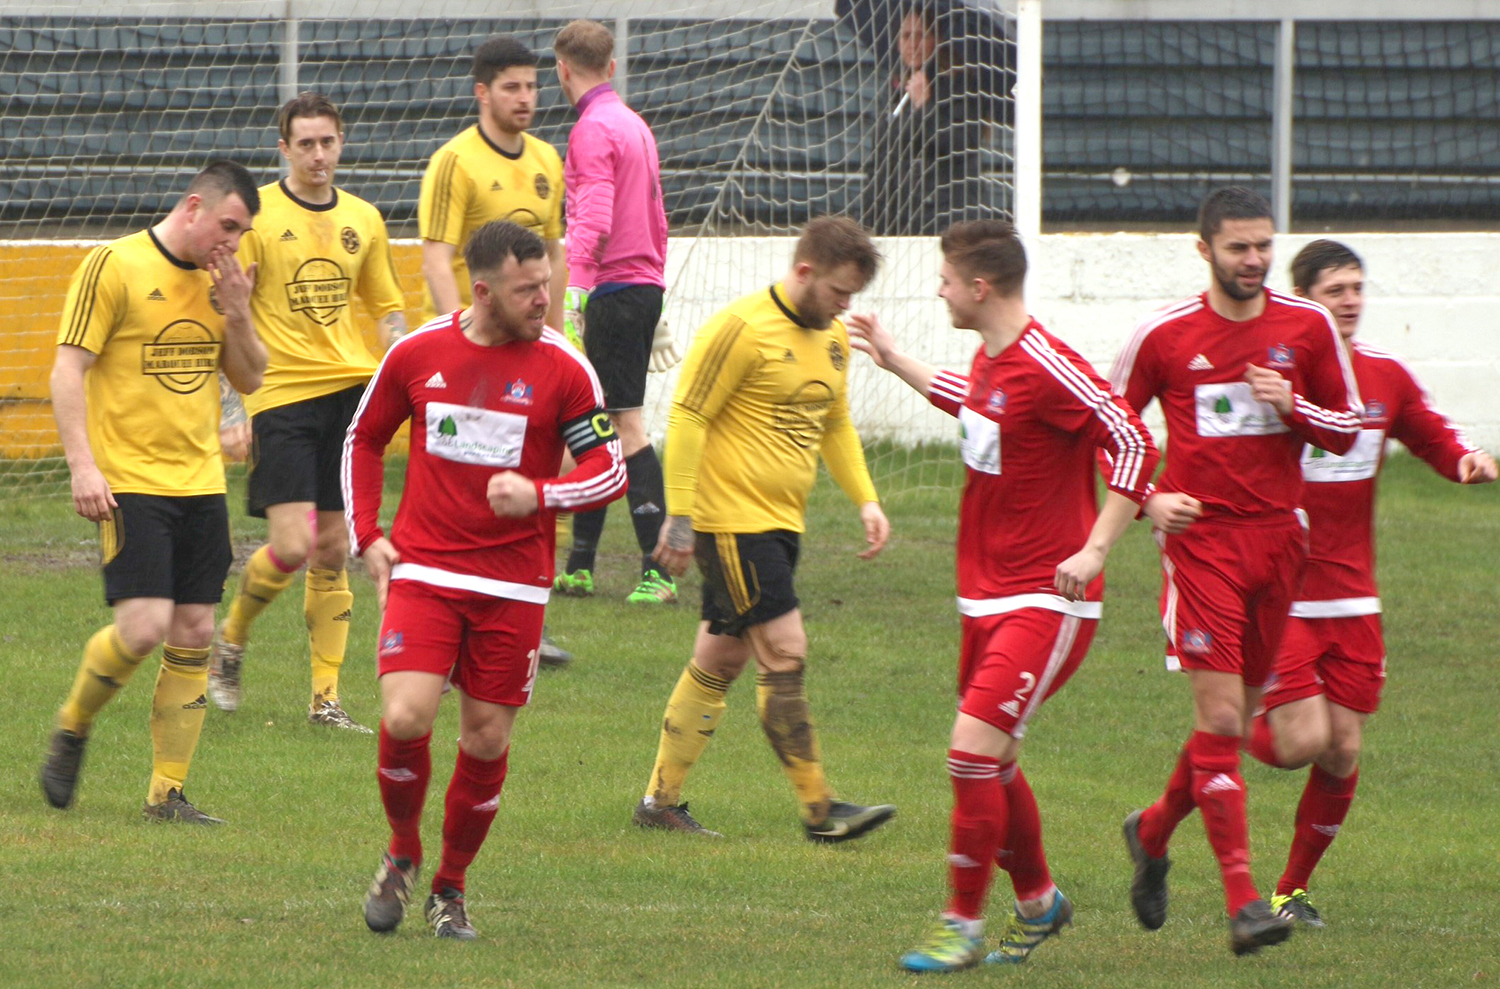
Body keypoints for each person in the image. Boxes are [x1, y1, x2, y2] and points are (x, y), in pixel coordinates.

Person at [848, 220, 1159, 972]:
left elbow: (1134, 439)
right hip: (984, 596)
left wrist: (1095, 546)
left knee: (969, 753)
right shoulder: (993, 359)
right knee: (998, 758)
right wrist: (893, 360)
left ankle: (962, 923)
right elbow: (978, 405)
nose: (940, 289)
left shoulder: (1050, 362)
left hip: (1048, 596)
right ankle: (1039, 902)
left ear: (980, 288)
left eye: (947, 279)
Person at [346, 220, 626, 939]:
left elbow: (609, 468)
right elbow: (364, 436)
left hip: (514, 585)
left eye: (546, 283)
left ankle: (451, 886)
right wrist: (368, 536)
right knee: (406, 714)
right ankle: (403, 851)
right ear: (483, 290)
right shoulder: (418, 353)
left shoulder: (564, 366)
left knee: (486, 739)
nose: (543, 298)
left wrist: (541, 494)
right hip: (427, 569)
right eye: (527, 288)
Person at [1109, 187, 1363, 955]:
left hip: (1282, 544)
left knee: (1227, 720)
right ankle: (1245, 900)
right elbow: (1108, 429)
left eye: (1262, 246)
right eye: (1237, 248)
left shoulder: (1308, 326)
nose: (1253, 261)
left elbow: (1348, 427)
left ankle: (1152, 832)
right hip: (1203, 547)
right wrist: (1151, 499)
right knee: (1223, 718)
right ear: (1203, 249)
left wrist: (1297, 408)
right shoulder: (1164, 334)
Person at [1243, 239, 1497, 927]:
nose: (1351, 300)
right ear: (1304, 304)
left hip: (1353, 596)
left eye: (1357, 287)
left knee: (1344, 745)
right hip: (1282, 590)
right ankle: (1225, 726)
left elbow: (1431, 433)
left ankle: (1290, 891)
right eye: (1336, 290)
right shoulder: (1266, 381)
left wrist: (1465, 459)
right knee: (1297, 742)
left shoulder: (1383, 376)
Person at [632, 215, 895, 842]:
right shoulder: (741, 328)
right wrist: (681, 515)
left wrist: (867, 500)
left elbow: (835, 424)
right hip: (733, 525)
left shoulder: (830, 338)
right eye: (837, 292)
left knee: (718, 659)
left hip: (780, 526)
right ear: (805, 272)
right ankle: (818, 808)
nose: (844, 306)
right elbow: (689, 417)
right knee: (786, 649)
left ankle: (658, 802)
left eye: (852, 297)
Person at [39, 161, 264, 823]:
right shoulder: (113, 265)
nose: (232, 243)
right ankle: (74, 723)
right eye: (227, 225)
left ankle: (167, 792)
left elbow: (251, 378)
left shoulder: (224, 286)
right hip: (130, 480)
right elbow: (67, 368)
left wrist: (241, 314)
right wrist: (83, 466)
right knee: (141, 628)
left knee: (194, 628)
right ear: (194, 205)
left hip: (200, 483)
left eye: (243, 232)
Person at [207, 93, 406, 731]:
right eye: (306, 144)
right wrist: (231, 405)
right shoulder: (257, 220)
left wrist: (409, 373)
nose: (319, 155)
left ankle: (326, 699)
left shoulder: (364, 219)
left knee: (334, 546)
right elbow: (225, 312)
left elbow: (387, 310)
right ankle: (231, 638)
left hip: (350, 395)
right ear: (284, 149)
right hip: (281, 394)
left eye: (328, 142)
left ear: (341, 143)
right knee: (291, 546)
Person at [418, 36, 575, 666]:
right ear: (482, 92)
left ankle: (528, 610)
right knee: (475, 473)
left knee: (546, 472)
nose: (527, 99)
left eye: (534, 87)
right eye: (512, 87)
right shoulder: (454, 162)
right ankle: (451, 604)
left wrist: (557, 328)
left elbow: (555, 255)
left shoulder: (545, 158)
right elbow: (436, 252)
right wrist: (455, 330)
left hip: (534, 344)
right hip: (477, 346)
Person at [551, 18, 683, 605]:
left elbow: (593, 219)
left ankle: (658, 570)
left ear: (561, 70)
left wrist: (576, 290)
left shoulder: (590, 130)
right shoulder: (634, 125)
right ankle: (580, 565)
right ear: (610, 67)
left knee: (620, 423)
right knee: (595, 422)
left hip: (612, 289)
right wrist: (654, 285)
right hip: (640, 283)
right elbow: (658, 217)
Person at [851, 1, 1012, 236]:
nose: (912, 44)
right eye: (906, 36)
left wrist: (923, 106)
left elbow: (959, 143)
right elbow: (884, 153)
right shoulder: (896, 88)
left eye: (921, 35)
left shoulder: (961, 83)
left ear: (936, 40)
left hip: (947, 213)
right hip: (897, 213)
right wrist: (866, 214)